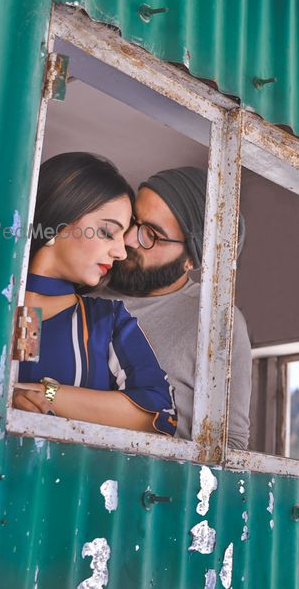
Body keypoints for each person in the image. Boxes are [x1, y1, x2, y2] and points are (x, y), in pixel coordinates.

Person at [14, 152, 177, 435]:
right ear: (58, 220)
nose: (121, 252)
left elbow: (161, 415)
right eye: (107, 232)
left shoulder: (108, 320)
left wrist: (47, 393)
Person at [104, 166, 252, 450]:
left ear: (191, 260)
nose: (128, 239)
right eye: (132, 221)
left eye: (151, 235)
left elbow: (229, 445)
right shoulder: (85, 280)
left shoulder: (216, 322)